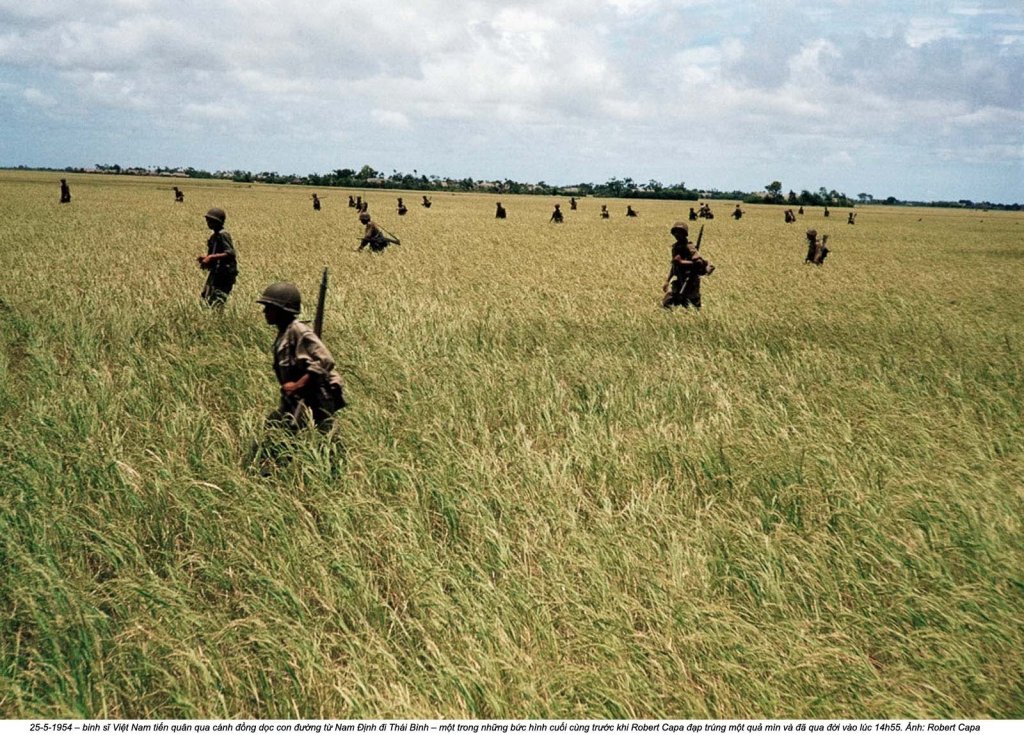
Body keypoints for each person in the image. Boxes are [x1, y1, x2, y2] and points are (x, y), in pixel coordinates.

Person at [257, 282, 345, 431]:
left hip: (315, 398)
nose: (264, 311)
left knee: (316, 439)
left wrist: (298, 385)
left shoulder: (299, 331)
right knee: (275, 429)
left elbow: (325, 361)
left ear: (282, 310)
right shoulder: (284, 332)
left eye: (269, 308)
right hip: (298, 399)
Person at [662, 221, 713, 310]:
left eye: (679, 232)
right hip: (680, 279)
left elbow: (698, 262)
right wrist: (667, 280)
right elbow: (674, 265)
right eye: (675, 232)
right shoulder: (676, 247)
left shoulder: (689, 247)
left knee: (693, 305)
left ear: (684, 234)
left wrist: (682, 262)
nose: (677, 234)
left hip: (690, 279)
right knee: (668, 301)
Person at [197, 207, 238, 307]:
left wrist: (211, 257)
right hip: (216, 272)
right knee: (206, 297)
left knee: (217, 300)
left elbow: (230, 253)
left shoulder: (223, 235)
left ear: (218, 222)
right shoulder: (214, 236)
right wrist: (206, 259)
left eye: (210, 221)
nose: (208, 223)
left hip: (224, 274)